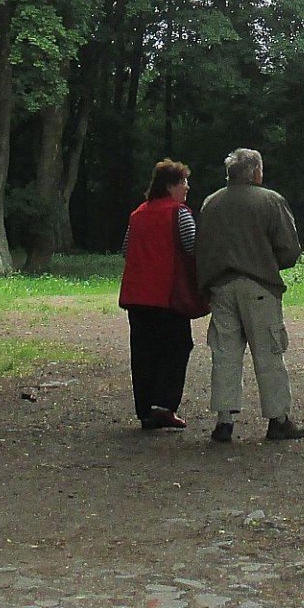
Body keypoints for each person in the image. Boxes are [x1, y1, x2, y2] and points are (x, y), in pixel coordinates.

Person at [192, 147, 304, 442]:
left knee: (225, 353)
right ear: (256, 172)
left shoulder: (210, 203)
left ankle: (224, 420)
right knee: (268, 352)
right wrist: (269, 262)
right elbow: (289, 249)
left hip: (221, 286)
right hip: (259, 285)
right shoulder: (270, 200)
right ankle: (277, 418)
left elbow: (200, 248)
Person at [117, 159, 206, 430]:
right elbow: (192, 247)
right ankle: (165, 406)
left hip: (137, 296)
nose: (187, 187)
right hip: (168, 294)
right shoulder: (179, 212)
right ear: (170, 186)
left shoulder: (137, 214)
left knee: (143, 352)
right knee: (177, 347)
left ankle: (145, 409)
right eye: (183, 182)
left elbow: (125, 250)